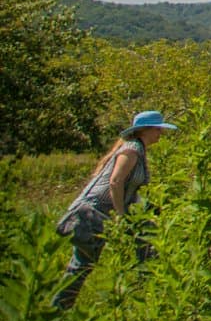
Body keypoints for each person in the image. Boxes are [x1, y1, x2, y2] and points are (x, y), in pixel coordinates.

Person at [54, 110, 176, 309]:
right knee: (81, 266)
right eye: (157, 129)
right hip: (92, 215)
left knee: (144, 246)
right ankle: (57, 310)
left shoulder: (138, 149)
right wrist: (120, 216)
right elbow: (116, 181)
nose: (160, 134)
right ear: (145, 130)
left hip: (101, 215)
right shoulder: (131, 149)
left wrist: (149, 207)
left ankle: (146, 298)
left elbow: (127, 188)